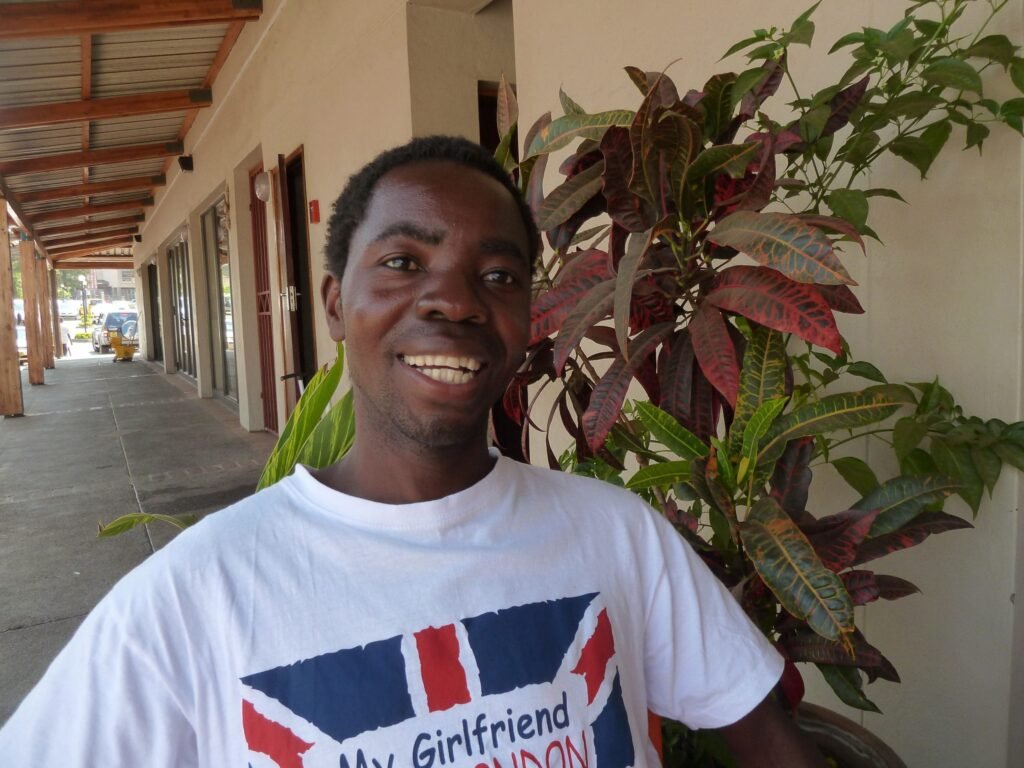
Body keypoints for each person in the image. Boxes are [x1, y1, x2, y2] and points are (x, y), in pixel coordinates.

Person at [0, 136, 824, 766]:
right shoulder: (189, 602)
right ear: (335, 304)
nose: (454, 302)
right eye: (403, 262)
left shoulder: (619, 536)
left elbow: (764, 736)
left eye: (497, 276)